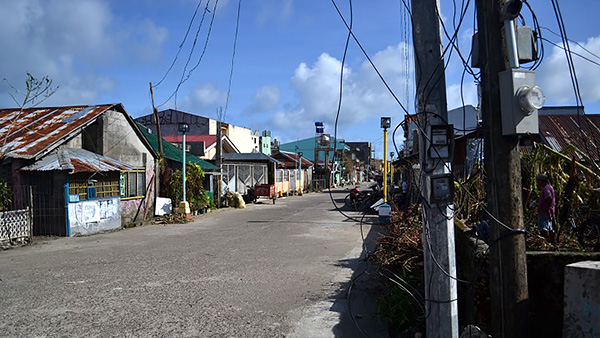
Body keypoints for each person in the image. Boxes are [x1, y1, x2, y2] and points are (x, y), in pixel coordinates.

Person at [536, 174, 556, 242]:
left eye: (538, 181)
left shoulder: (546, 188)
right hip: (549, 212)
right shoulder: (549, 187)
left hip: (544, 212)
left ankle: (546, 242)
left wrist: (546, 208)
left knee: (544, 229)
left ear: (541, 181)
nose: (537, 183)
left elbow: (549, 197)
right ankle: (551, 242)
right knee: (549, 227)